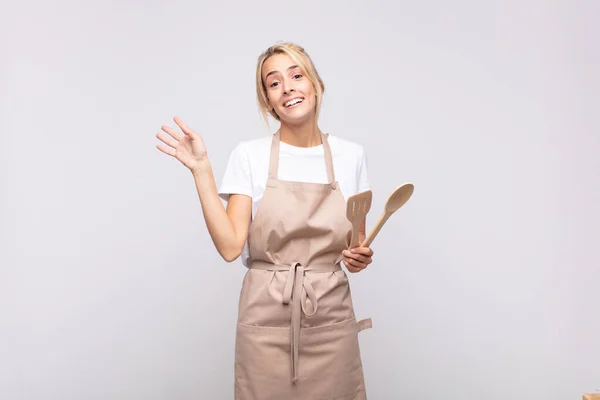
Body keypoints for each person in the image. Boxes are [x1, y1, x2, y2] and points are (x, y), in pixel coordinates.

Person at [156, 42, 375, 399]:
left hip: (329, 314)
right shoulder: (249, 156)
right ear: (269, 102)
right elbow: (230, 247)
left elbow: (356, 248)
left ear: (316, 83)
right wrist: (202, 171)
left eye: (296, 74)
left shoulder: (351, 156)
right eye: (274, 83)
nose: (287, 87)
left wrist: (360, 256)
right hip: (267, 313)